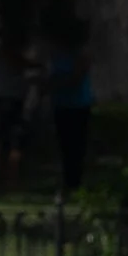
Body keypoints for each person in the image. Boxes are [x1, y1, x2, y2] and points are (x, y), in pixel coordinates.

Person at [46, 39, 94, 193]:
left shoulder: (81, 52)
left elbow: (77, 77)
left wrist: (56, 83)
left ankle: (76, 181)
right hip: (61, 104)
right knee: (64, 145)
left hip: (79, 104)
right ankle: (68, 180)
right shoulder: (56, 53)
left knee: (77, 145)